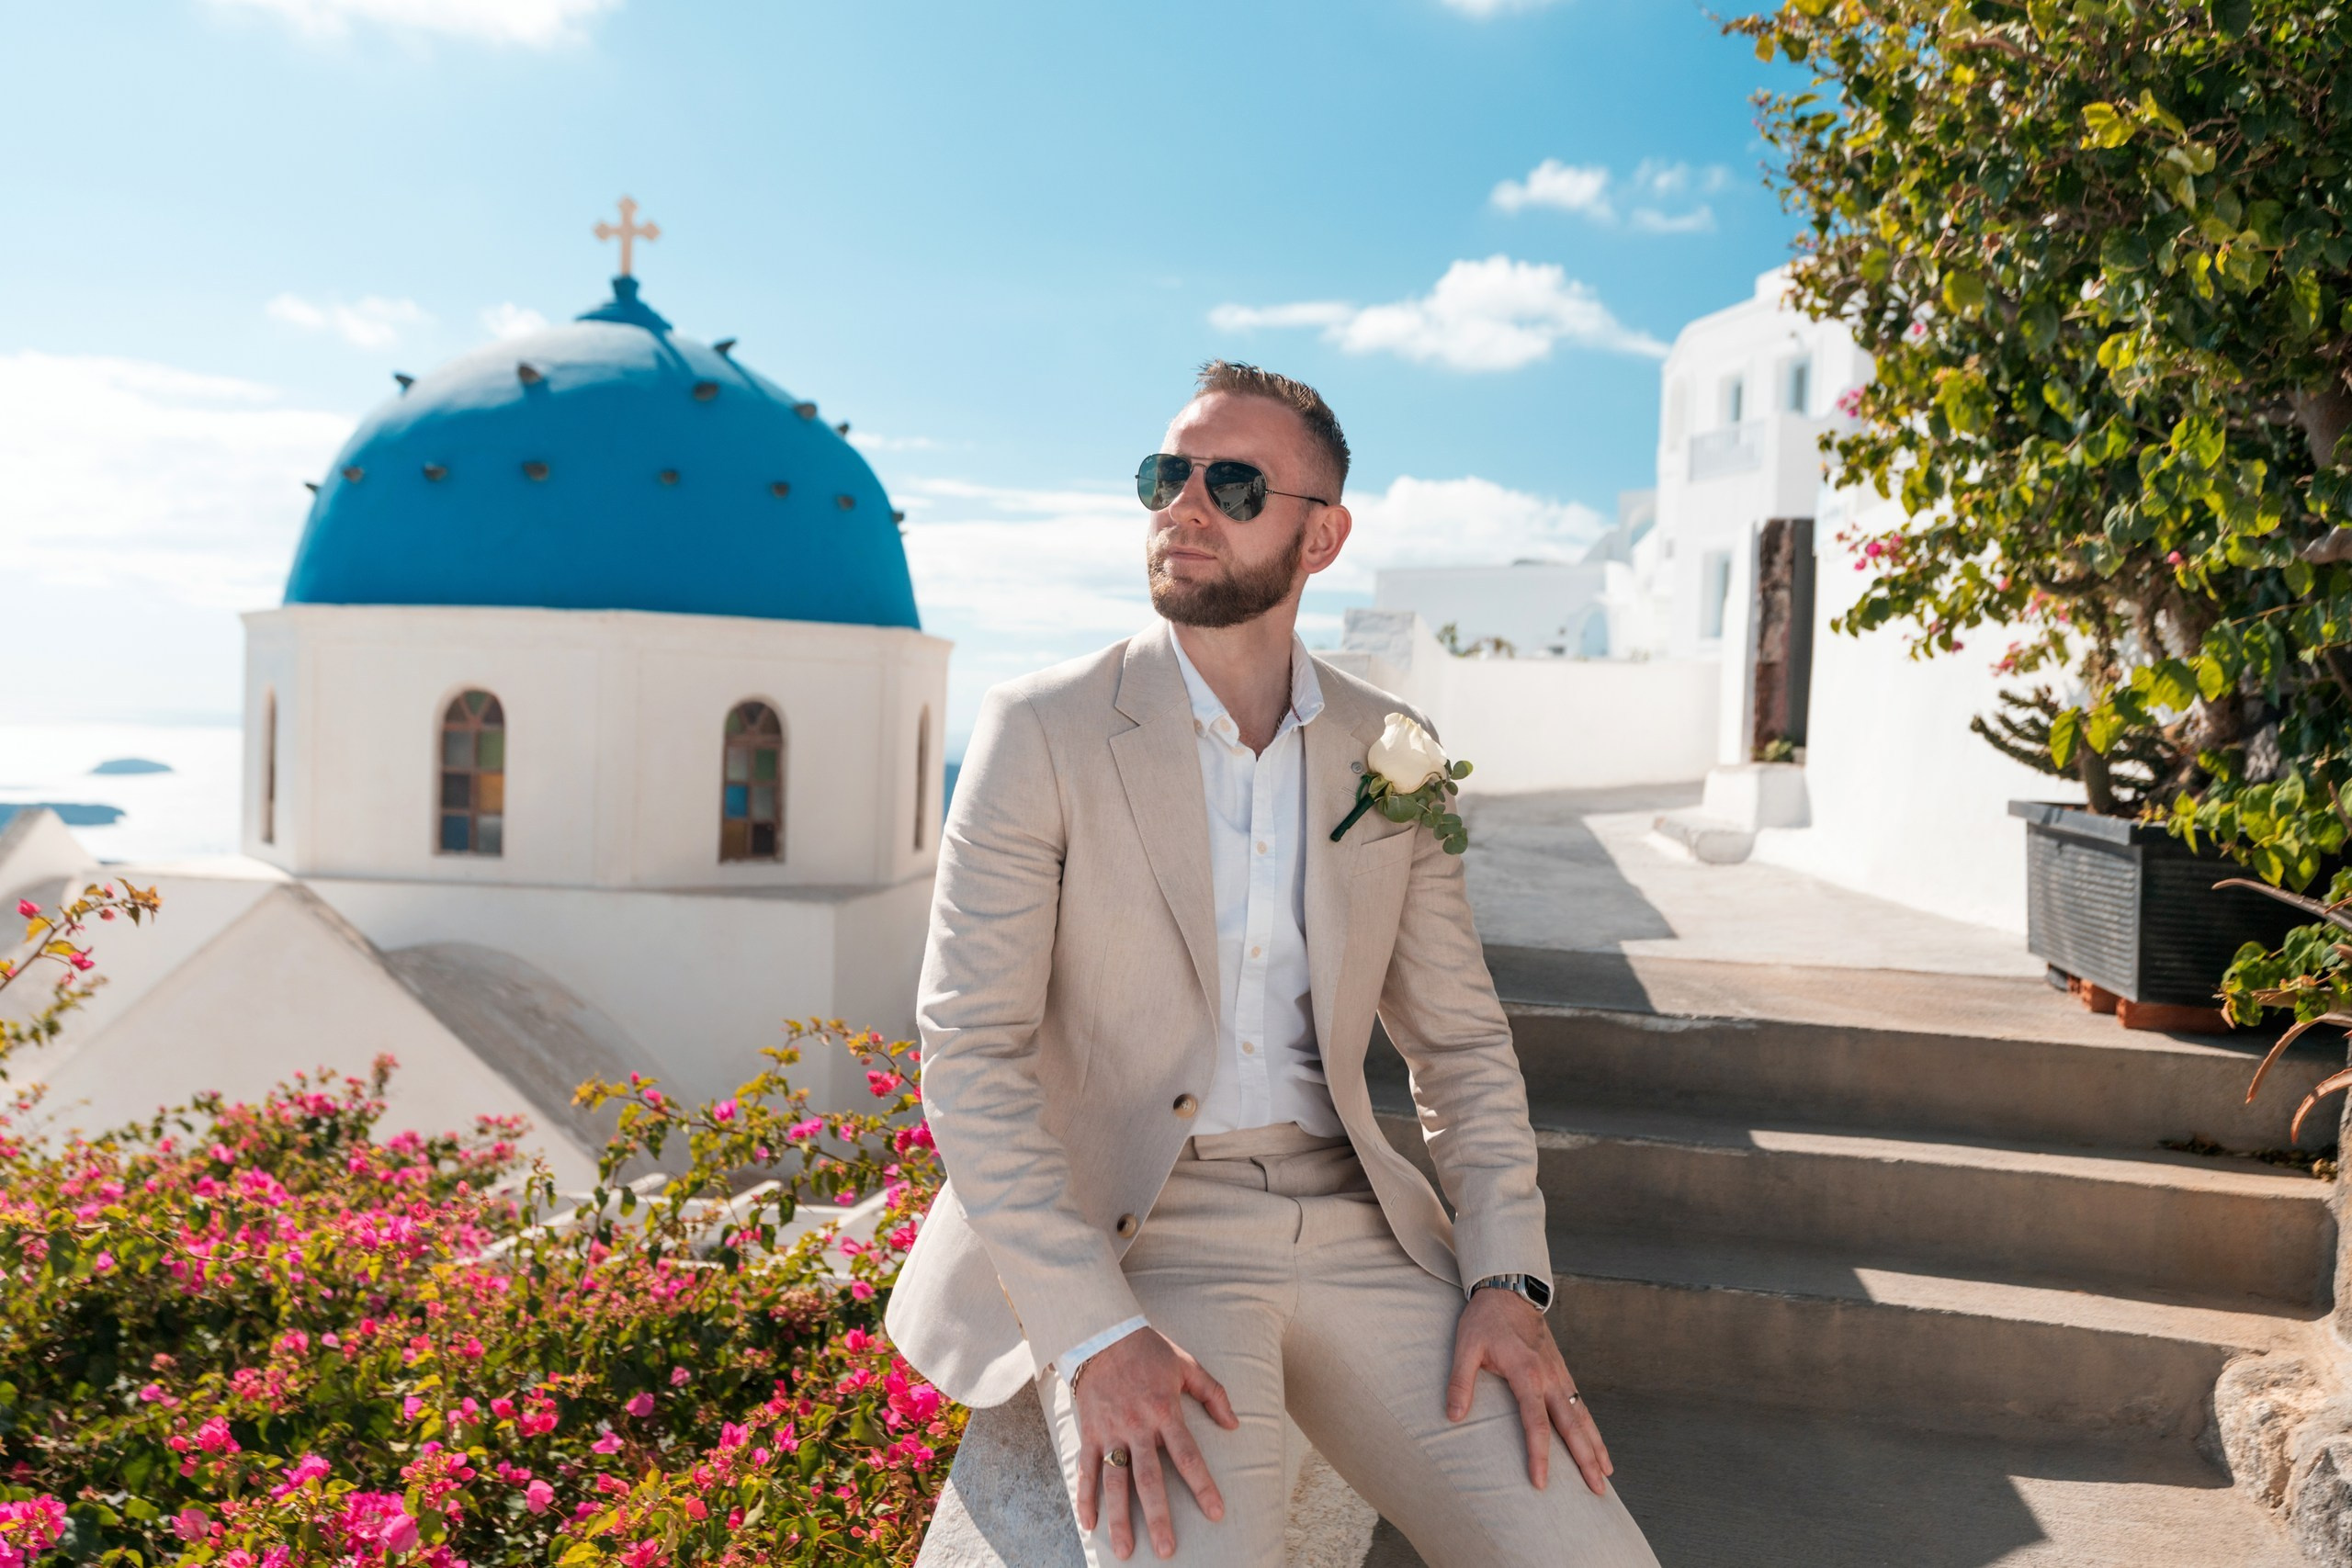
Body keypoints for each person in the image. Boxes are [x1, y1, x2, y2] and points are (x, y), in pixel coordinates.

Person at [887, 362, 1658, 1566]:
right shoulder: (1040, 729)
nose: (1183, 506)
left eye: (1233, 482)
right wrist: (1092, 1338)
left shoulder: (1395, 755)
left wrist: (1509, 1276)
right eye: (1166, 475)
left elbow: (1458, 1042)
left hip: (1356, 1226)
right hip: (1142, 1235)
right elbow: (970, 1055)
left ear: (1323, 537)